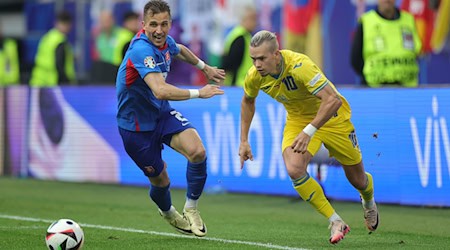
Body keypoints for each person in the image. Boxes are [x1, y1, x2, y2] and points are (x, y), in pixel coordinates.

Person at [239, 30, 379, 244]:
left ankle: (368, 201)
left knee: (358, 179)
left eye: (262, 58)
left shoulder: (299, 66)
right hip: (298, 120)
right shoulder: (254, 76)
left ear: (276, 54)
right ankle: (335, 221)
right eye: (253, 59)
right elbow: (248, 101)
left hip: (332, 117)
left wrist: (309, 131)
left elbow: (333, 100)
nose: (257, 64)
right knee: (294, 168)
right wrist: (244, 140)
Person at [116, 0, 225, 237]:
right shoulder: (140, 50)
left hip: (161, 114)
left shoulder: (166, 41)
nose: (159, 30)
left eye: (164, 24)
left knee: (197, 151)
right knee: (161, 179)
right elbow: (160, 90)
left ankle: (192, 208)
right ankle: (167, 211)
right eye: (153, 24)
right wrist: (199, 92)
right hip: (135, 128)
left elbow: (179, 49)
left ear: (169, 24)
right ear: (143, 25)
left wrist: (204, 66)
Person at [350, 0, 422, 87]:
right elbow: (355, 59)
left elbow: (417, 52)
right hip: (375, 90)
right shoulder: (366, 21)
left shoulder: (409, 20)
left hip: (408, 90)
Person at [29, 11, 75, 87]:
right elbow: (59, 64)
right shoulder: (60, 41)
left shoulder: (47, 37)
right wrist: (67, 82)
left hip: (37, 80)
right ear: (68, 25)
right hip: (50, 83)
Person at [221, 5, 258, 87]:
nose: (255, 23)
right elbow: (229, 63)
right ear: (244, 19)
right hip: (237, 85)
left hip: (244, 84)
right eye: (252, 19)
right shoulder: (240, 38)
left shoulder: (244, 35)